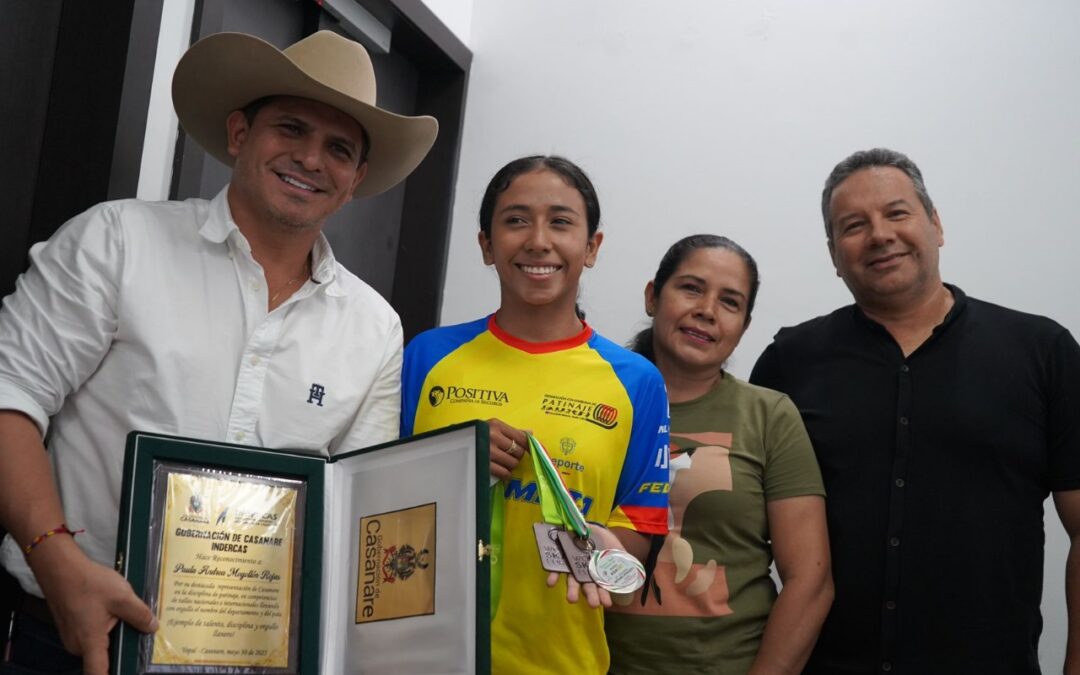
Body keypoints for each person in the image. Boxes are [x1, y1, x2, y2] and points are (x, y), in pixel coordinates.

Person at [0, 30, 437, 674]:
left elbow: (353, 506)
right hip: (70, 640)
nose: (312, 159)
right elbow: (11, 397)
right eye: (290, 128)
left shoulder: (374, 328)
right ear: (239, 134)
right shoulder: (118, 241)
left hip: (258, 658)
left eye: (338, 149)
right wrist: (55, 558)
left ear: (355, 181)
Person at [750, 148, 1080, 674]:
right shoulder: (790, 362)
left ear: (935, 224)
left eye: (897, 213)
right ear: (834, 255)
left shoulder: (1042, 351)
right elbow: (745, 533)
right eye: (854, 225)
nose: (880, 234)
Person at [400, 155, 670, 675]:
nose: (538, 240)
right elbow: (373, 501)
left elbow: (634, 540)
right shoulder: (427, 357)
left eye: (561, 222)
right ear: (485, 244)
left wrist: (602, 545)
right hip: (418, 655)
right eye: (516, 220)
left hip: (560, 661)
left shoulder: (636, 382)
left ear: (592, 248)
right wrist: (457, 462)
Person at [604, 234, 833, 674]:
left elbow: (811, 580)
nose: (707, 310)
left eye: (730, 302)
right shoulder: (591, 401)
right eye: (691, 288)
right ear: (653, 297)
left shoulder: (770, 416)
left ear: (744, 326)